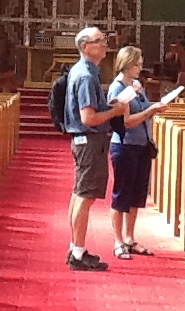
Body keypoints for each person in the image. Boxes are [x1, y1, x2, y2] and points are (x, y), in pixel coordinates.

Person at [64, 25, 130, 272]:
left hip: (85, 141)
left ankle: (75, 248)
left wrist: (109, 106)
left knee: (80, 193)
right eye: (99, 40)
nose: (104, 44)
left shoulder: (84, 71)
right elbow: (89, 118)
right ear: (85, 46)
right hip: (89, 141)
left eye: (104, 40)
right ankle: (77, 253)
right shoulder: (86, 76)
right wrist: (115, 111)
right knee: (85, 196)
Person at [108, 45, 170, 260]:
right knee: (122, 195)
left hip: (142, 145)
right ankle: (118, 241)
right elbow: (125, 122)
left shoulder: (136, 85)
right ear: (126, 64)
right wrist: (150, 110)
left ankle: (129, 237)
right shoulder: (117, 89)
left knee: (136, 195)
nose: (140, 68)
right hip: (125, 145)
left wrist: (155, 107)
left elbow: (142, 111)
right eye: (137, 64)